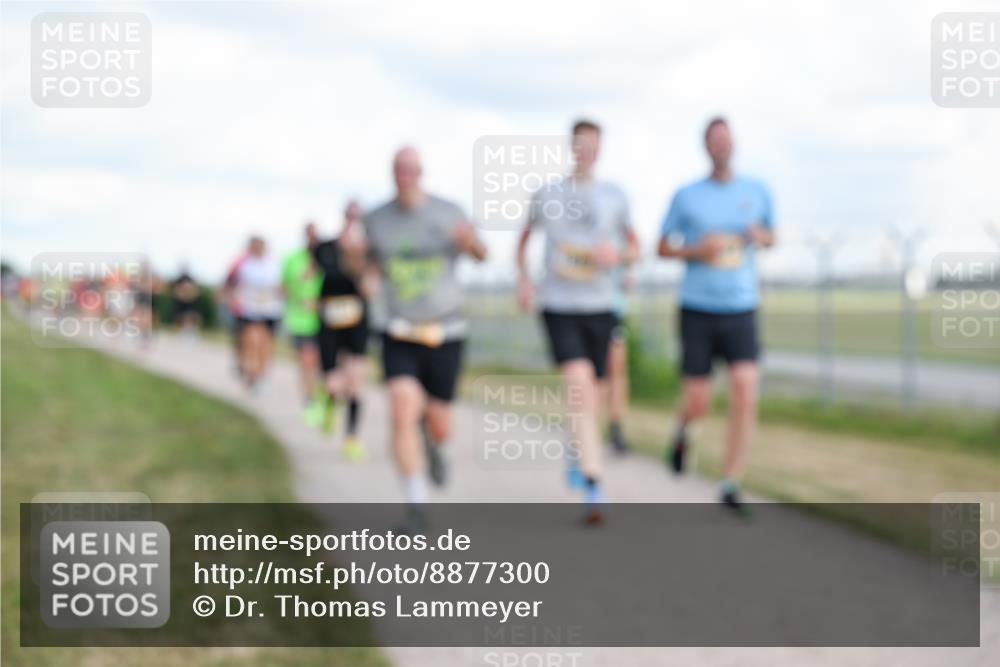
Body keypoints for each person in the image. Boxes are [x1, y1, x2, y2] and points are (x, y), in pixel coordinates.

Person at [516, 119, 640, 525]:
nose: (586, 151)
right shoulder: (548, 194)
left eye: (594, 145)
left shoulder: (615, 195)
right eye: (580, 144)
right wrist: (524, 281)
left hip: (601, 305)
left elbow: (635, 247)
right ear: (571, 147)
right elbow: (523, 240)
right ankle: (594, 483)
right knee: (579, 388)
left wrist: (619, 259)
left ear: (600, 150)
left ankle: (577, 448)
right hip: (559, 304)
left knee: (595, 396)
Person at [361, 146, 487, 532]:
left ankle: (438, 447)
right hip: (399, 328)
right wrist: (362, 273)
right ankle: (417, 504)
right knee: (401, 408)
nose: (405, 177)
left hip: (445, 330)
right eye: (399, 170)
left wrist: (470, 243)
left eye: (411, 170)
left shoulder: (449, 212)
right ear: (391, 173)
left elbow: (482, 254)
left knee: (438, 421)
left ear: (422, 173)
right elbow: (367, 266)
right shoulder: (376, 219)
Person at [656, 116, 776, 516]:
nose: (721, 146)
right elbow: (662, 247)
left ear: (734, 143)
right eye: (714, 140)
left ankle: (730, 481)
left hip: (742, 306)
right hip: (698, 308)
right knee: (699, 399)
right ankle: (682, 433)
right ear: (706, 146)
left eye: (726, 139)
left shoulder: (757, 191)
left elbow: (772, 236)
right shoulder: (687, 195)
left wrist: (761, 237)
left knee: (745, 390)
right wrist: (696, 250)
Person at [311, 203, 371, 461]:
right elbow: (311, 275)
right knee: (332, 381)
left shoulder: (368, 250)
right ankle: (329, 403)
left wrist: (357, 259)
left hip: (357, 320)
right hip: (329, 322)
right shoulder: (325, 247)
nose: (353, 221)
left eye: (358, 217)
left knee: (356, 380)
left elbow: (370, 285)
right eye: (350, 216)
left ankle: (352, 438)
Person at [282, 222, 325, 425]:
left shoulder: (328, 257)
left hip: (325, 320)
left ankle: (321, 397)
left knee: (320, 363)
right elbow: (284, 288)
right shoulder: (293, 259)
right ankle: (310, 401)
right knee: (307, 360)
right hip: (301, 320)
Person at [235, 237, 284, 392]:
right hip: (250, 310)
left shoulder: (274, 265)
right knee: (252, 341)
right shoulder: (245, 266)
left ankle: (262, 373)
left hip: (270, 309)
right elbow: (239, 286)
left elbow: (281, 287)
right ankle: (252, 370)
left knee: (265, 344)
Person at [605, 268, 633, 453]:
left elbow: (633, 250)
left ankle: (616, 427)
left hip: (613, 309)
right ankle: (584, 423)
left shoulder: (619, 237)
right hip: (579, 309)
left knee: (617, 370)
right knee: (588, 373)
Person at [170, 264, 202, 339]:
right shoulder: (179, 279)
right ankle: (180, 332)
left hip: (190, 302)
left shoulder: (191, 279)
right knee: (179, 317)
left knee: (192, 316)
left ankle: (192, 332)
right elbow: (174, 291)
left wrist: (190, 295)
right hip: (181, 302)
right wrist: (181, 295)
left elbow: (197, 290)